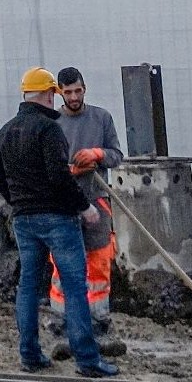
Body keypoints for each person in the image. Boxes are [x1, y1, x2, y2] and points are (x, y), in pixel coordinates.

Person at [0, 67, 118, 377]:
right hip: (58, 219)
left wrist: (18, 201)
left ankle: (30, 355)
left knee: (28, 287)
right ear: (49, 94)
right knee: (75, 287)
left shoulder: (6, 131)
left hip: (23, 220)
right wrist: (84, 207)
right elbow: (59, 177)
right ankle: (88, 361)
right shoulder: (49, 130)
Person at [48, 66, 122, 336]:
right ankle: (61, 318)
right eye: (68, 92)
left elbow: (116, 155)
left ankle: (99, 318)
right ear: (60, 93)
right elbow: (49, 168)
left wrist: (97, 154)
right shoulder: (53, 123)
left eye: (78, 91)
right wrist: (72, 170)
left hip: (96, 198)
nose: (74, 97)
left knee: (99, 259)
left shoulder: (101, 118)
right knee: (62, 262)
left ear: (84, 89)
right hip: (64, 203)